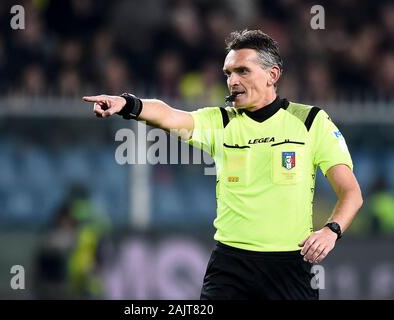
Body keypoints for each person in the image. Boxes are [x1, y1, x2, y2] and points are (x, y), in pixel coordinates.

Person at [82, 29, 363, 300]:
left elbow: (350, 192)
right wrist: (128, 104)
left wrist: (331, 230)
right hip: (231, 265)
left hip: (292, 266)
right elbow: (168, 115)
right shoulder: (221, 122)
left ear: (272, 75)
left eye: (242, 71)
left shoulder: (311, 121)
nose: (232, 81)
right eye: (228, 73)